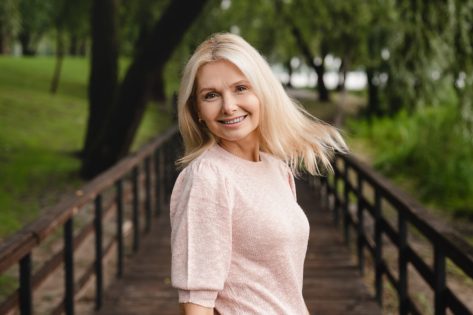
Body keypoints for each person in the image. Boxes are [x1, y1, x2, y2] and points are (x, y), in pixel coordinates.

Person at [170, 33, 347, 315]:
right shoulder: (208, 176)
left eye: (240, 88)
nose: (228, 106)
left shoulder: (276, 168)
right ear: (197, 110)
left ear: (262, 92)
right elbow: (197, 302)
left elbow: (282, 286)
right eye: (211, 95)